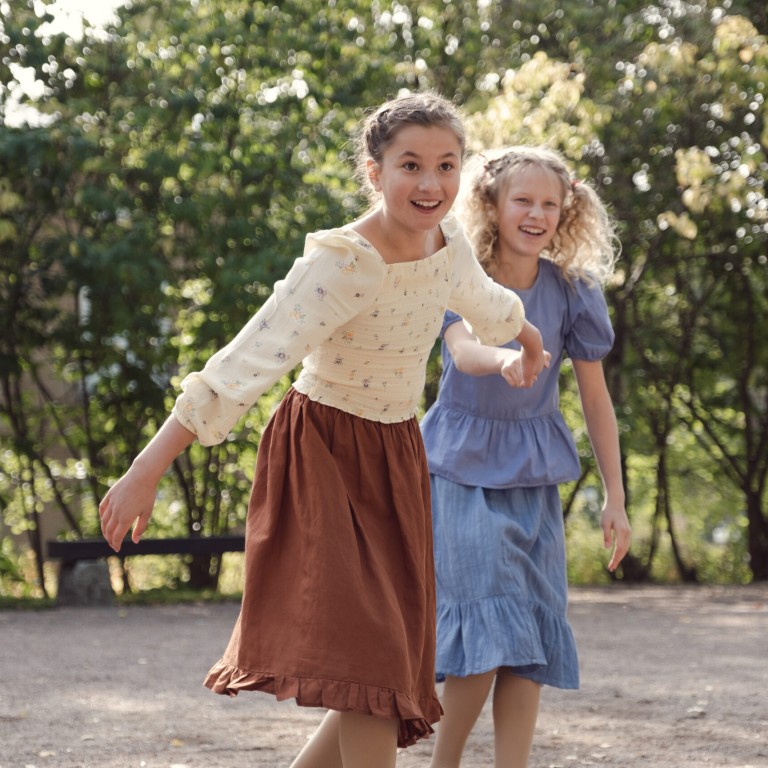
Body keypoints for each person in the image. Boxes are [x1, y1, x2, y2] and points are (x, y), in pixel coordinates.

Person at [98, 94, 547, 768]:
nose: (431, 184)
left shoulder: (448, 244)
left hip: (396, 453)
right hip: (323, 454)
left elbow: (486, 303)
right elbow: (245, 363)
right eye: (411, 165)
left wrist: (530, 341)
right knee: (366, 663)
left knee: (385, 661)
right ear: (374, 172)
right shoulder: (342, 262)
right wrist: (147, 469)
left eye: (447, 165)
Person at [420, 145, 632, 768]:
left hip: (535, 473)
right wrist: (510, 355)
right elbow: (462, 351)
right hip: (459, 469)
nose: (536, 213)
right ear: (492, 204)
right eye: (523, 200)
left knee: (532, 632)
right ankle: (445, 762)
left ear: (566, 212)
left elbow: (596, 402)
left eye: (549, 203)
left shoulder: (573, 293)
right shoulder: (459, 273)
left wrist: (615, 499)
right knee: (487, 624)